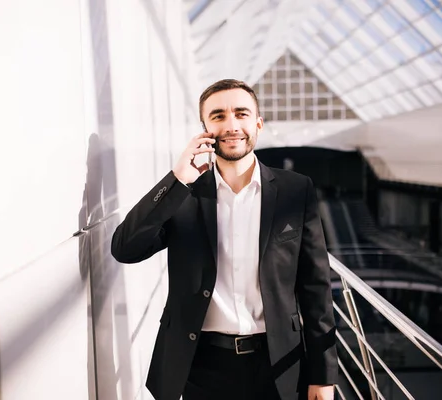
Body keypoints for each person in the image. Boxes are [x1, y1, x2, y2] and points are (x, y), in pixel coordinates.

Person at [111, 79, 337, 400]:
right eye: (218, 116)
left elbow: (316, 288)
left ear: (258, 123)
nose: (232, 125)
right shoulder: (183, 194)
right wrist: (177, 179)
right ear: (204, 129)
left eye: (241, 113)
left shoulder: (295, 190)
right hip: (201, 365)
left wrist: (322, 375)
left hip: (279, 364)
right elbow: (125, 248)